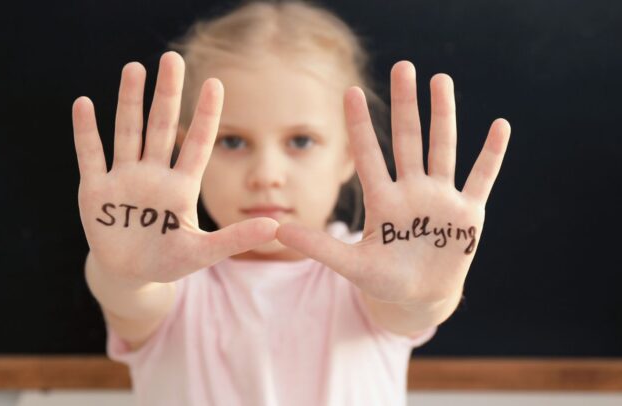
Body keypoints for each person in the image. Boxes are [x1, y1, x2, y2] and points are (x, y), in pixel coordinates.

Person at [71, 0, 511, 404]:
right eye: (232, 141)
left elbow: (405, 305)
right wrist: (120, 274)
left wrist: (427, 294)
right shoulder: (173, 277)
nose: (266, 174)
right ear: (190, 152)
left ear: (350, 155)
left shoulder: (372, 272)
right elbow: (130, 297)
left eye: (300, 141)